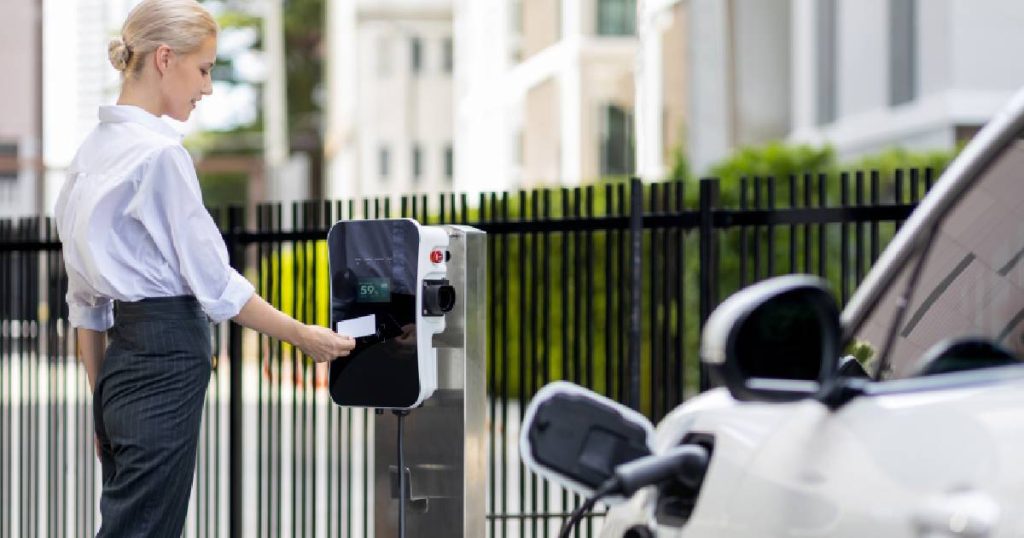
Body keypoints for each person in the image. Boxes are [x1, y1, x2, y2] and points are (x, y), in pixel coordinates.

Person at [53, 1, 356, 536]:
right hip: (165, 361)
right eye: (205, 68)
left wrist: (101, 403)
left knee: (130, 522)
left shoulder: (88, 156)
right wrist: (304, 337)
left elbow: (86, 307)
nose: (209, 87)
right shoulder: (160, 157)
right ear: (165, 58)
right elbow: (220, 288)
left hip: (119, 372)